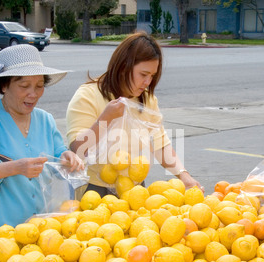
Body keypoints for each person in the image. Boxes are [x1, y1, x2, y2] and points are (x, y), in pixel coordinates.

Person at [0, 44, 84, 241]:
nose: (33, 94)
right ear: (4, 85)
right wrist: (15, 167)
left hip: (41, 225)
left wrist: (67, 156)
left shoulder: (45, 119)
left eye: (40, 86)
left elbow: (58, 151)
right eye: (24, 86)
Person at [66, 31, 203, 197]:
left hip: (134, 190)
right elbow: (78, 149)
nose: (147, 82)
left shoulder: (147, 100)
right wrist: (105, 119)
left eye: (152, 76)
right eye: (143, 75)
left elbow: (160, 144)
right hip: (94, 190)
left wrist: (184, 175)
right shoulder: (88, 95)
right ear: (124, 67)